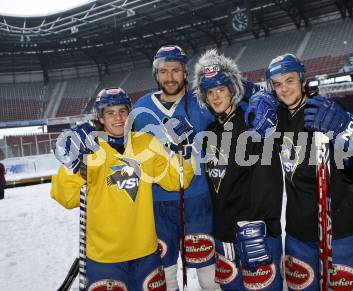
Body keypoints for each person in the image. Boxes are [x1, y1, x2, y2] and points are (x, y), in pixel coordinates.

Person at [246, 53, 353, 290]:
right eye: (277, 84)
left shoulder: (326, 111)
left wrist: (344, 136)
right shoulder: (276, 119)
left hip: (341, 230)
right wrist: (255, 106)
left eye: (290, 80)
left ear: (303, 80)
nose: (284, 89)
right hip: (298, 234)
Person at [51, 87, 195, 290]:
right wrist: (70, 167)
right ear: (100, 118)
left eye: (122, 111)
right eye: (110, 113)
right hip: (104, 258)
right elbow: (67, 198)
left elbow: (176, 180)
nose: (118, 118)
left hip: (146, 254)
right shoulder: (89, 149)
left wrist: (185, 151)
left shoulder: (146, 143)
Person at [132, 45, 221, 291]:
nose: (170, 77)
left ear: (184, 73)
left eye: (176, 70)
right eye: (164, 71)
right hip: (158, 204)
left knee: (208, 275)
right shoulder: (140, 108)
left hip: (198, 200)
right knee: (166, 275)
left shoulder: (203, 100)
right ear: (156, 75)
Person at [193, 49, 284, 290]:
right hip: (225, 237)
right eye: (210, 92)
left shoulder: (253, 121)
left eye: (220, 90)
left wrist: (262, 225)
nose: (215, 97)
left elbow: (270, 179)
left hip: (257, 233)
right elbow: (217, 184)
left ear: (232, 90)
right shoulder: (210, 131)